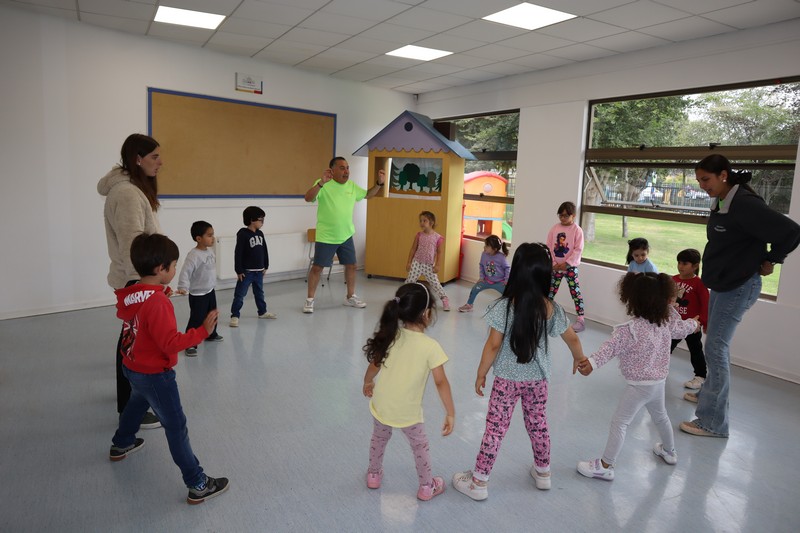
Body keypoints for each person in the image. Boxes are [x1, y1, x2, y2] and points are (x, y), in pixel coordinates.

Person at [452, 243, 587, 501]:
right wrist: (579, 359)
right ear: (545, 275)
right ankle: (544, 473)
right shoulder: (551, 308)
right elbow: (572, 338)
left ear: (516, 272)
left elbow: (493, 345)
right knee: (538, 424)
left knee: (495, 429)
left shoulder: (504, 307)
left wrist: (481, 373)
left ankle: (479, 482)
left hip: (506, 380)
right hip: (538, 380)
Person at [680, 154, 800, 438]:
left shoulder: (745, 203)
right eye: (699, 180)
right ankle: (708, 397)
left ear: (723, 175)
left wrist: (772, 259)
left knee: (715, 348)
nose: (702, 185)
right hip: (724, 283)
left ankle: (712, 423)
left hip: (739, 286)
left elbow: (791, 231)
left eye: (706, 179)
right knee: (713, 343)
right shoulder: (723, 200)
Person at [110, 233, 229, 505]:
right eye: (174, 266)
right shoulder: (158, 303)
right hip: (155, 375)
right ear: (160, 269)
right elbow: (170, 343)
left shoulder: (133, 292)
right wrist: (202, 331)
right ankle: (198, 483)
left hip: (132, 367)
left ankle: (122, 442)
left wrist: (161, 292)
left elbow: (143, 316)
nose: (175, 270)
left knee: (136, 404)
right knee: (176, 427)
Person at [575, 273, 699, 481]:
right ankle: (669, 451)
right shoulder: (666, 322)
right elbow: (683, 328)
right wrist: (694, 324)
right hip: (658, 382)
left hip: (639, 386)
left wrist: (592, 363)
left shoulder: (630, 330)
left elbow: (610, 348)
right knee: (661, 417)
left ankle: (606, 465)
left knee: (620, 423)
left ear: (633, 300)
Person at [362, 282, 455, 501]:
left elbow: (375, 364)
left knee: (378, 439)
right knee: (419, 447)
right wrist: (450, 412)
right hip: (408, 412)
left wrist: (367, 382)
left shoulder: (391, 336)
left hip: (382, 404)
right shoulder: (431, 347)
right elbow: (441, 382)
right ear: (427, 313)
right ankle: (426, 487)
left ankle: (373, 475)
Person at [98, 133, 163, 429]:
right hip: (135, 280)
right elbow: (131, 244)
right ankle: (129, 408)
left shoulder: (132, 190)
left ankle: (129, 401)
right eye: (154, 157)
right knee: (133, 345)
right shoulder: (126, 194)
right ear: (137, 159)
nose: (160, 162)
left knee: (130, 341)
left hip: (137, 278)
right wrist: (144, 285)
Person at [303, 157, 385, 313]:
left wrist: (379, 184)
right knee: (317, 268)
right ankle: (309, 300)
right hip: (326, 236)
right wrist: (321, 183)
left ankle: (350, 296)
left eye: (347, 168)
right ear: (332, 170)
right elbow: (308, 198)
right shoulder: (323, 184)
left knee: (352, 265)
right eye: (342, 168)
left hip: (346, 235)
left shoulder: (352, 186)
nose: (346, 171)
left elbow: (368, 195)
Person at [176, 221, 223, 356]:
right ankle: (190, 343)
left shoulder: (210, 251)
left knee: (212, 314)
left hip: (210, 291)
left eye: (213, 234)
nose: (213, 238)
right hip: (198, 294)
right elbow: (185, 272)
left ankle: (211, 334)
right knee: (197, 318)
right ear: (198, 238)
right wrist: (182, 286)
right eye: (209, 235)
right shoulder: (193, 255)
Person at [669, 249, 709, 394]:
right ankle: (657, 368)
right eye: (679, 263)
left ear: (695, 266)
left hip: (692, 325)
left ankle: (700, 376)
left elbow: (705, 304)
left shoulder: (699, 283)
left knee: (695, 350)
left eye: (685, 263)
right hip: (675, 324)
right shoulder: (673, 280)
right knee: (666, 346)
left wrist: (703, 322)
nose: (680, 266)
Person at [229, 206, 275, 327]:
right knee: (240, 294)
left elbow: (264, 250)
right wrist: (239, 270)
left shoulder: (260, 233)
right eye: (261, 220)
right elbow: (238, 253)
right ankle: (235, 315)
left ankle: (262, 312)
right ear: (251, 220)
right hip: (246, 272)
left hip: (259, 272)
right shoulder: (242, 234)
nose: (263, 222)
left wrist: (266, 265)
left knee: (259, 293)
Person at [546, 201, 586, 332]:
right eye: (560, 215)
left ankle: (581, 319)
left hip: (570, 268)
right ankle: (545, 314)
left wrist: (567, 264)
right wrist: (554, 264)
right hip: (556, 268)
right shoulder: (554, 228)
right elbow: (549, 246)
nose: (563, 218)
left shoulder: (577, 230)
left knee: (575, 292)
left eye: (566, 216)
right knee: (550, 291)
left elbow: (578, 249)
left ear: (573, 215)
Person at [405, 211, 450, 311]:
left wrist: (437, 265)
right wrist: (409, 262)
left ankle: (444, 298)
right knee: (410, 281)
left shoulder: (438, 238)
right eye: (420, 221)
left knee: (435, 283)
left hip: (429, 265)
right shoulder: (419, 235)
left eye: (424, 221)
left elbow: (439, 252)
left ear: (431, 222)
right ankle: (403, 297)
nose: (421, 223)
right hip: (417, 263)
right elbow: (413, 249)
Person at [457, 235, 510, 313]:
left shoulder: (501, 257)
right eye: (485, 245)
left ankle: (510, 309)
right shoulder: (484, 254)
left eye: (487, 246)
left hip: (500, 282)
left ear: (495, 249)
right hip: (486, 280)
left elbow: (507, 268)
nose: (484, 247)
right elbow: (481, 265)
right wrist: (481, 277)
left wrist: (506, 280)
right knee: (475, 289)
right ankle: (469, 305)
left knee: (508, 294)